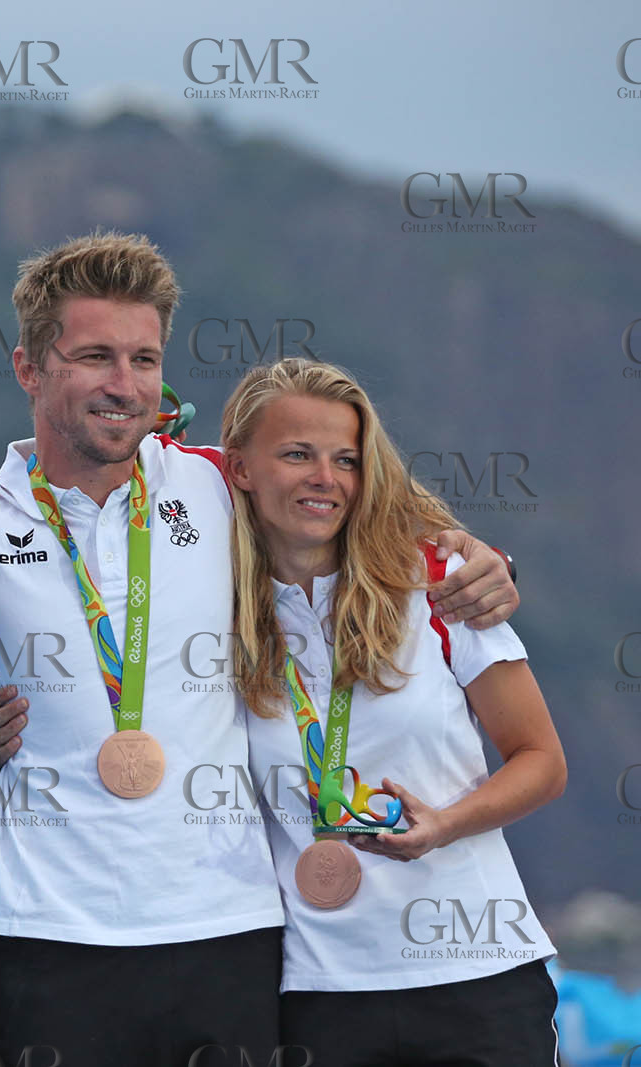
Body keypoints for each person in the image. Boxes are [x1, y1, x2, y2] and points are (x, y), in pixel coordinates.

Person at [0, 232, 520, 1065]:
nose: (125, 384)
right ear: (29, 369)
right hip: (44, 933)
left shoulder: (220, 481)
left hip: (229, 934)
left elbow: (358, 502)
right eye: (96, 356)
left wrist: (489, 561)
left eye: (144, 359)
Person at [220, 358, 563, 1066]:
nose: (326, 477)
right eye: (297, 454)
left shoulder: (442, 584)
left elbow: (542, 761)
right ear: (241, 468)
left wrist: (442, 825)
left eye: (345, 459)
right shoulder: (212, 609)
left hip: (479, 973)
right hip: (316, 990)